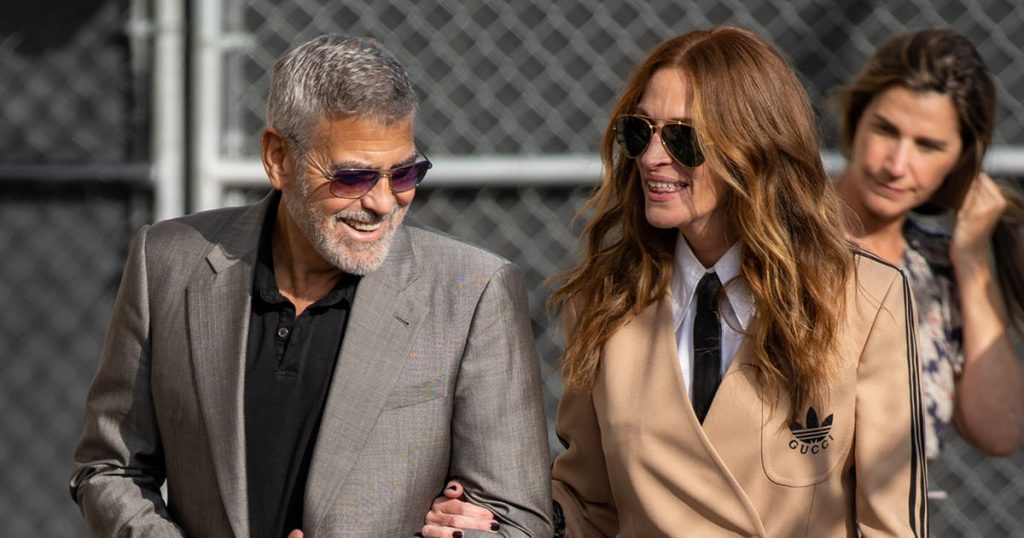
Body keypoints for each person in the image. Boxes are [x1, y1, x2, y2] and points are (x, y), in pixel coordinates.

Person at [423, 26, 928, 537]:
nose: (650, 158)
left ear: (754, 148)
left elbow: (891, 525)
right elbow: (589, 503)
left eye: (683, 138)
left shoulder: (866, 297)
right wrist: (502, 523)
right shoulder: (604, 301)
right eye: (640, 132)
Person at [69, 34, 552, 537]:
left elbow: (518, 520)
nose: (384, 203)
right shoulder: (167, 263)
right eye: (352, 177)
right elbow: (111, 468)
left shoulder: (472, 291)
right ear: (278, 158)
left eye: (405, 173)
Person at [833, 28, 1024, 461]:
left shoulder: (935, 270)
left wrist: (972, 261)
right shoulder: (775, 232)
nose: (896, 165)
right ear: (857, 118)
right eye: (885, 130)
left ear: (959, 159)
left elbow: (1000, 430)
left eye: (928, 145)